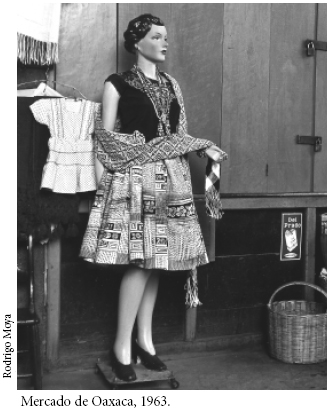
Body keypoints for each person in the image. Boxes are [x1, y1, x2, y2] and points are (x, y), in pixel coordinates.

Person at [79, 14, 227, 382]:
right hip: (134, 182)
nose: (164, 43)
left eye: (165, 37)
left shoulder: (172, 85)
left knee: (158, 261)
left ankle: (145, 342)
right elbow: (105, 142)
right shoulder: (116, 84)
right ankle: (121, 347)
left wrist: (202, 150)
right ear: (137, 42)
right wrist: (104, 191)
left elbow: (179, 135)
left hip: (172, 179)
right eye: (157, 37)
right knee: (140, 264)